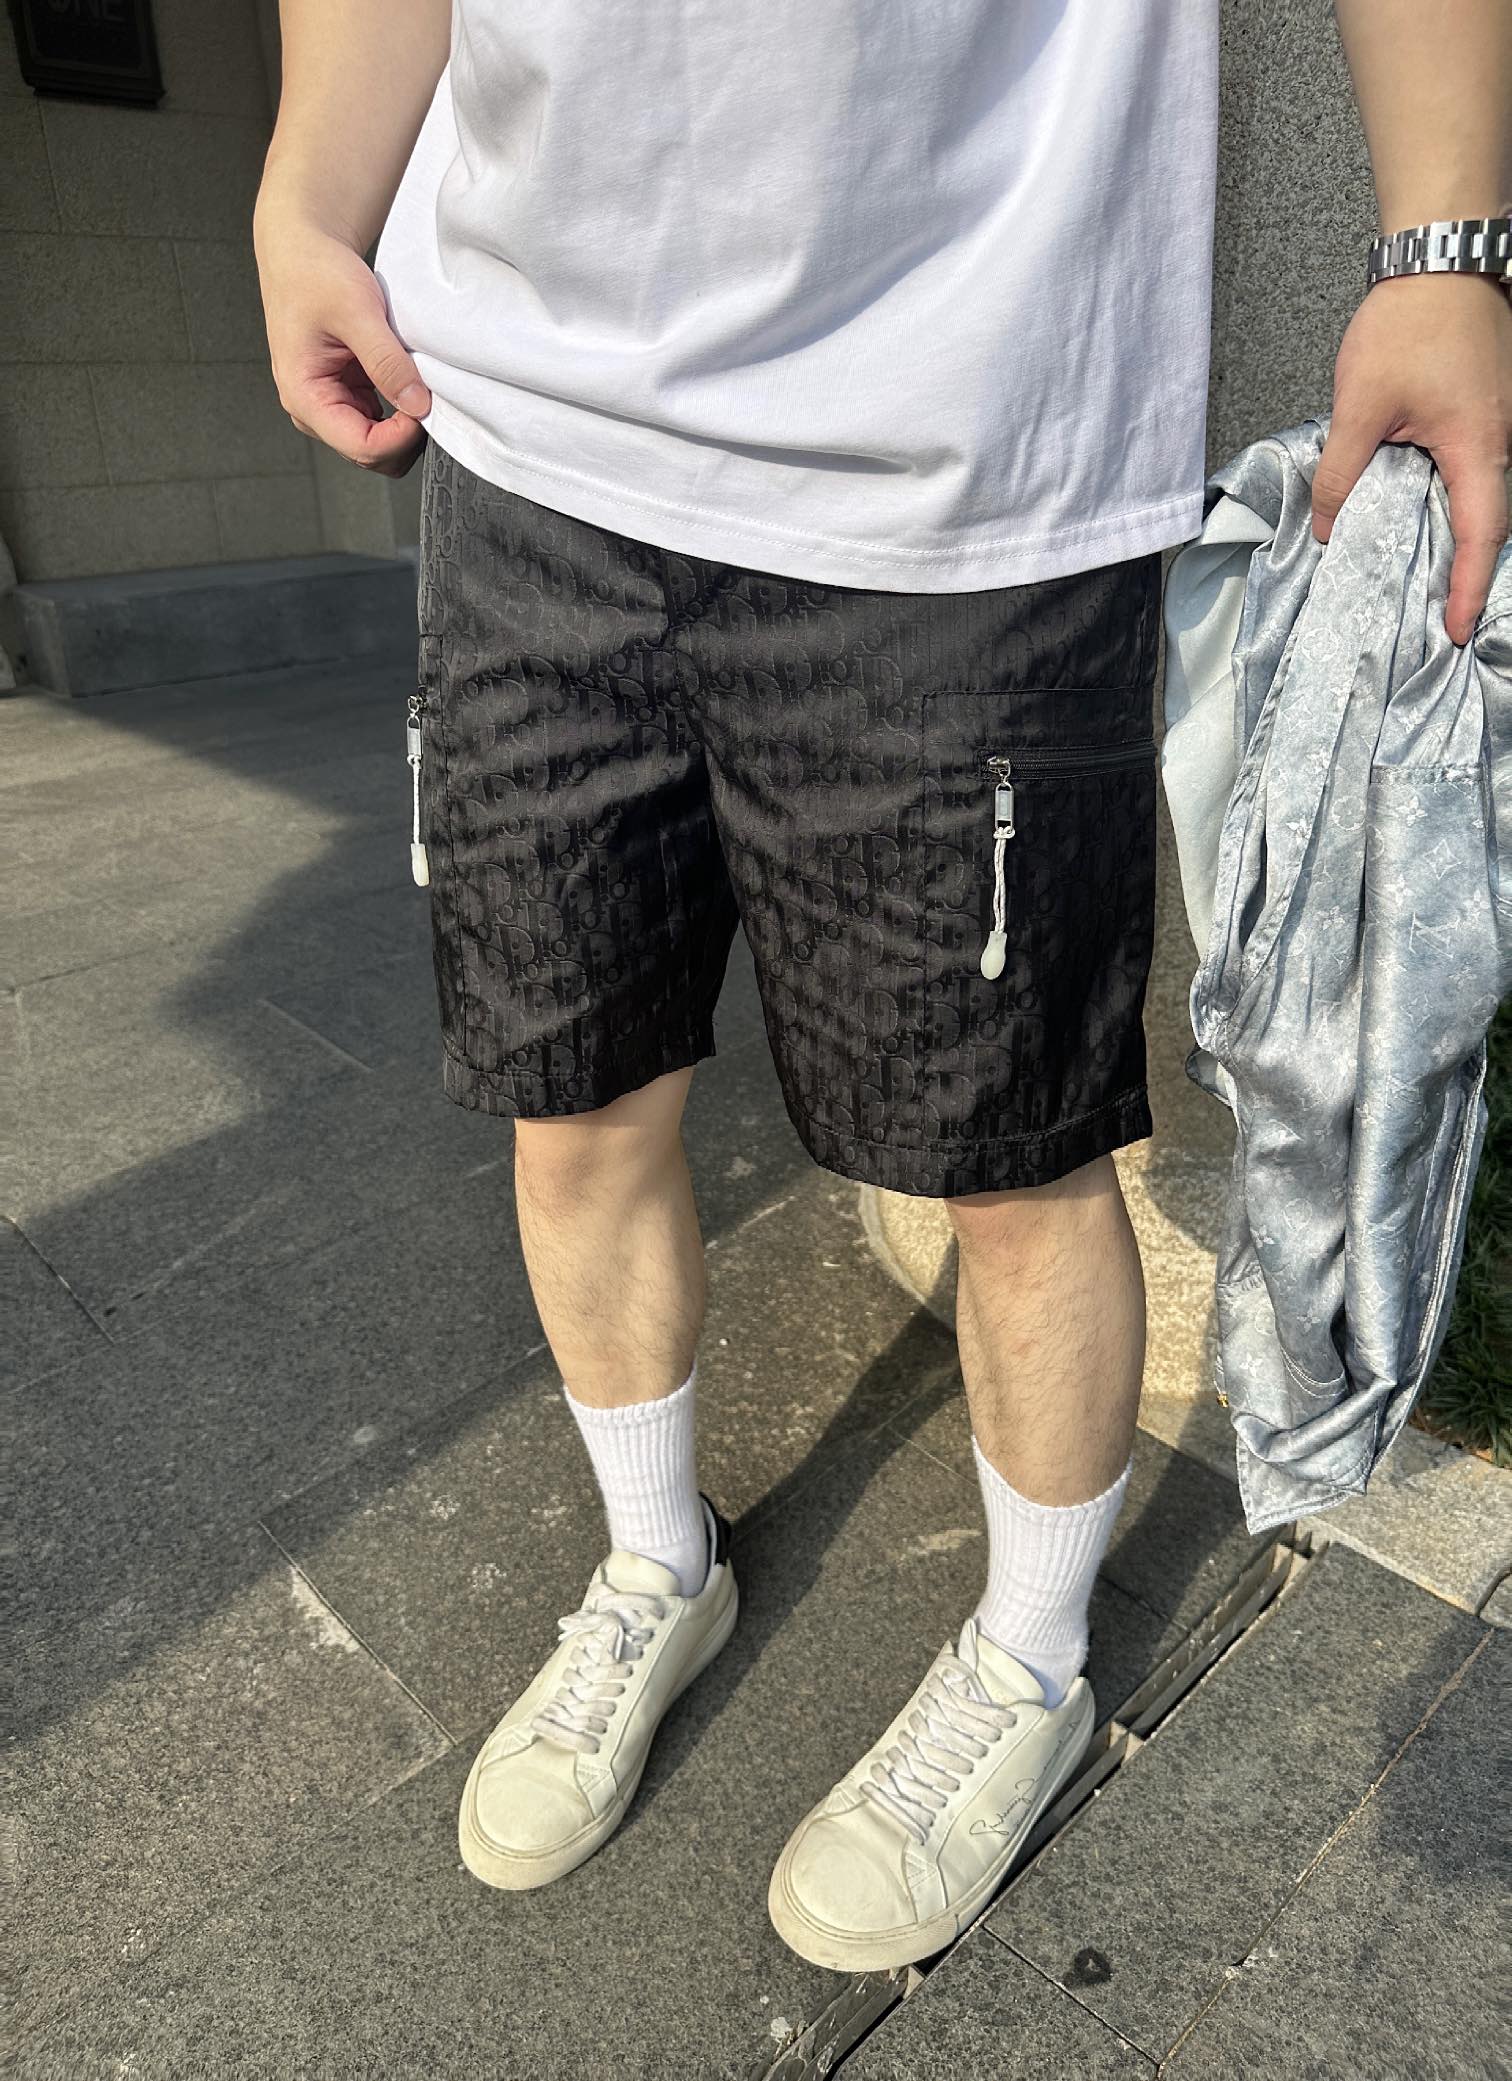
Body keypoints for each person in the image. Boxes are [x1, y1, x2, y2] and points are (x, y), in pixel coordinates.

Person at [254, 0, 1512, 1972]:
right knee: (571, 1103)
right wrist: (310, 184)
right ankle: (657, 1564)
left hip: (970, 457)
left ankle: (1031, 1665)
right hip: (524, 440)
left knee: (1011, 1165)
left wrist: (1448, 245)